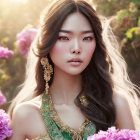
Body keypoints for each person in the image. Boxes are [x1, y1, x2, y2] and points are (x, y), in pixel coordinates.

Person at [8, 0, 140, 139]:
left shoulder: (115, 104)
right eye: (64, 37)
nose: (76, 48)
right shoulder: (26, 114)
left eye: (87, 38)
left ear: (96, 44)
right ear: (48, 41)